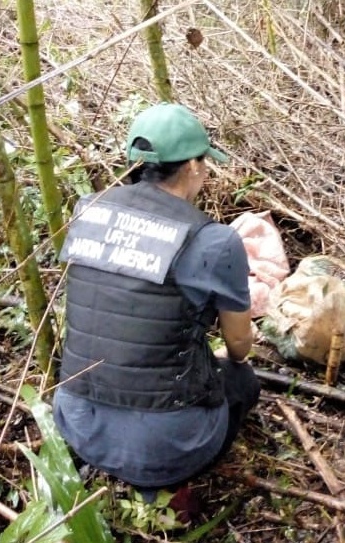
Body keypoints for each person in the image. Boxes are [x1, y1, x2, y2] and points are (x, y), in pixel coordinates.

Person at [54, 103, 260, 497]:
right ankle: (172, 484)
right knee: (242, 380)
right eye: (205, 163)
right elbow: (239, 346)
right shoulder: (216, 242)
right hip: (165, 445)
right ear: (193, 166)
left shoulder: (89, 210)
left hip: (78, 421)